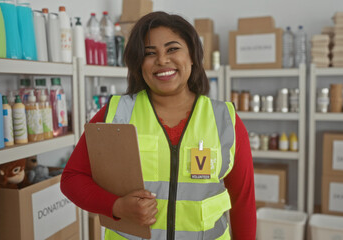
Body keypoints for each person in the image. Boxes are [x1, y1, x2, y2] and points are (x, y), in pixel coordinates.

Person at [61, 11, 256, 239]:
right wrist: (117, 206)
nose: (162, 60)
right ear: (139, 63)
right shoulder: (116, 114)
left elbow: (242, 201)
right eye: (149, 53)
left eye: (172, 49)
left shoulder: (225, 119)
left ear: (192, 55)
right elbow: (72, 178)